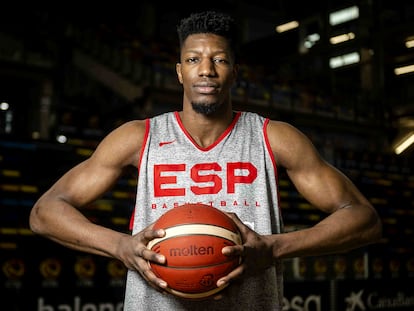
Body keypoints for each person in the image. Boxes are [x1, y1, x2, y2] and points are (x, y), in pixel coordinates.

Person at [29, 10, 382, 311]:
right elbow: (45, 212)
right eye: (194, 59)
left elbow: (364, 219)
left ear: (234, 71)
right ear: (180, 71)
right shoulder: (138, 137)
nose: (206, 70)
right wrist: (120, 246)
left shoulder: (273, 137)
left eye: (220, 59)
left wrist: (275, 248)